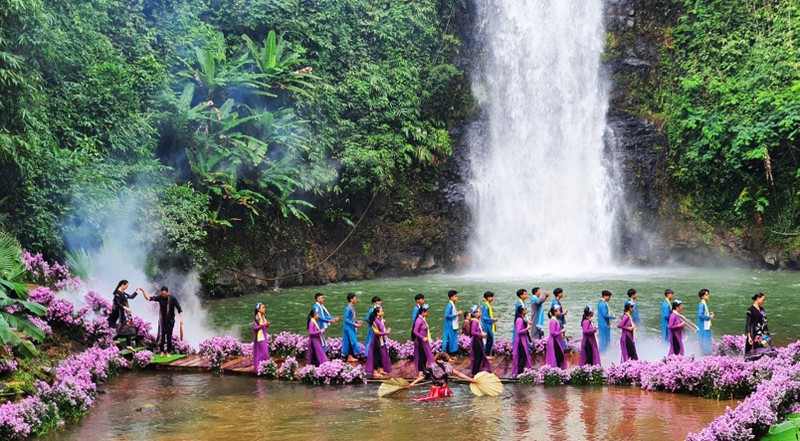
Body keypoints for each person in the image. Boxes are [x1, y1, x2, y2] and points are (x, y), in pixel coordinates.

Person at [409, 353, 475, 401]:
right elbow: (459, 374)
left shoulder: (432, 366)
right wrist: (471, 379)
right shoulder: (448, 366)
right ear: (446, 359)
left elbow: (423, 376)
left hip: (435, 390)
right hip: (445, 389)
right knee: (446, 402)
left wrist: (413, 383)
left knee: (434, 402)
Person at [143, 286, 184, 358]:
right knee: (162, 336)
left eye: (164, 294)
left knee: (169, 336)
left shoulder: (172, 298)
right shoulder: (160, 298)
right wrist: (143, 291)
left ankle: (168, 351)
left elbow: (179, 309)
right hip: (162, 320)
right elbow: (149, 298)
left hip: (170, 321)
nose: (163, 295)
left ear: (168, 292)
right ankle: (161, 351)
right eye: (162, 294)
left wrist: (181, 319)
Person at [745, 293, 777, 361]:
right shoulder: (750, 310)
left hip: (764, 333)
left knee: (767, 346)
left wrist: (767, 333)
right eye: (763, 299)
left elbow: (764, 321)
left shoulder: (762, 309)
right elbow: (748, 324)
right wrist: (749, 336)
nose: (764, 301)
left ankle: (765, 362)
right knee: (756, 350)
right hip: (755, 333)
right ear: (758, 298)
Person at [365, 306, 392, 378]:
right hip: (376, 341)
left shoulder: (379, 320)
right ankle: (374, 372)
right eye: (381, 311)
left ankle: (381, 369)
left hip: (381, 340)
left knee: (381, 355)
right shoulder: (375, 321)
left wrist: (386, 331)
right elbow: (376, 333)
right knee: (376, 356)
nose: (383, 312)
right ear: (377, 313)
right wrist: (386, 333)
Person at [511, 305, 533, 378]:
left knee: (523, 356)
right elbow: (519, 331)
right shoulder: (519, 319)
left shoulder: (522, 318)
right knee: (522, 356)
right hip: (520, 341)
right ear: (522, 311)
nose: (527, 310)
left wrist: (527, 325)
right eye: (525, 309)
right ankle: (519, 372)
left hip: (522, 340)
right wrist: (527, 328)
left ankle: (521, 371)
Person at [413, 304, 435, 376]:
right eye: (427, 312)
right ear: (423, 312)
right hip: (420, 341)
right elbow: (415, 331)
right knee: (421, 356)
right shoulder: (419, 320)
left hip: (424, 341)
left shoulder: (422, 319)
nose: (428, 313)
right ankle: (420, 371)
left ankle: (424, 368)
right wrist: (422, 337)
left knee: (425, 355)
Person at [469, 305, 491, 376]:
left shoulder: (478, 321)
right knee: (477, 357)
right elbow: (473, 332)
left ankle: (477, 371)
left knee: (480, 356)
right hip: (476, 341)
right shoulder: (475, 322)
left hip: (478, 340)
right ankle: (475, 373)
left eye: (480, 312)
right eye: (479, 312)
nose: (480, 313)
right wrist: (481, 335)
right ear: (475, 314)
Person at [341, 293, 363, 362]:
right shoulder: (348, 308)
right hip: (348, 328)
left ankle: (351, 356)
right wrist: (355, 324)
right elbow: (346, 319)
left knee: (352, 341)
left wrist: (357, 321)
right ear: (351, 299)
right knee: (351, 341)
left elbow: (352, 318)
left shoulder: (352, 307)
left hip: (351, 327)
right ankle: (349, 357)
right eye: (355, 298)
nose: (356, 300)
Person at [545, 305, 567, 369]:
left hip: (556, 340)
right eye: (558, 310)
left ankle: (558, 369)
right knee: (558, 356)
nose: (560, 311)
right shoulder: (553, 320)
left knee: (560, 356)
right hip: (553, 341)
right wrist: (561, 331)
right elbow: (552, 332)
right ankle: (556, 369)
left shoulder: (555, 320)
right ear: (555, 312)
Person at [252, 302, 271, 371]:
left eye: (264, 307)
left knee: (263, 352)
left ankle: (263, 366)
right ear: (259, 309)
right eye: (263, 308)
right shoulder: (257, 317)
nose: (264, 309)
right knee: (264, 352)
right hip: (260, 337)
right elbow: (254, 327)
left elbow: (264, 326)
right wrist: (263, 325)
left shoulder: (264, 317)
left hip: (264, 336)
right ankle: (261, 366)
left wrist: (267, 325)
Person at [443, 290, 461, 355]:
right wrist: (456, 314)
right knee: (450, 339)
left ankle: (452, 353)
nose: (457, 297)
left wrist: (456, 314)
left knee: (453, 339)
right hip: (450, 325)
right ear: (451, 297)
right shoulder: (450, 305)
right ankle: (450, 354)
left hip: (452, 324)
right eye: (455, 296)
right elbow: (446, 315)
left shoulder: (452, 304)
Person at [697, 289, 715, 355]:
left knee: (706, 340)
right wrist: (709, 317)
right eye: (706, 295)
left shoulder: (703, 304)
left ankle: (706, 354)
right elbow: (700, 315)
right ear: (702, 296)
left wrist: (708, 314)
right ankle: (706, 355)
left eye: (708, 294)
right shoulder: (702, 304)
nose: (708, 296)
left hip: (705, 325)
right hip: (703, 326)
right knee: (705, 340)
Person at [481, 291, 498, 356]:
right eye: (491, 297)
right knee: (489, 340)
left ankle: (488, 354)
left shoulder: (488, 305)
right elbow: (484, 317)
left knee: (489, 340)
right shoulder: (486, 306)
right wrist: (492, 319)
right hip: (487, 326)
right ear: (488, 298)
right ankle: (487, 355)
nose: (492, 298)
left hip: (489, 324)